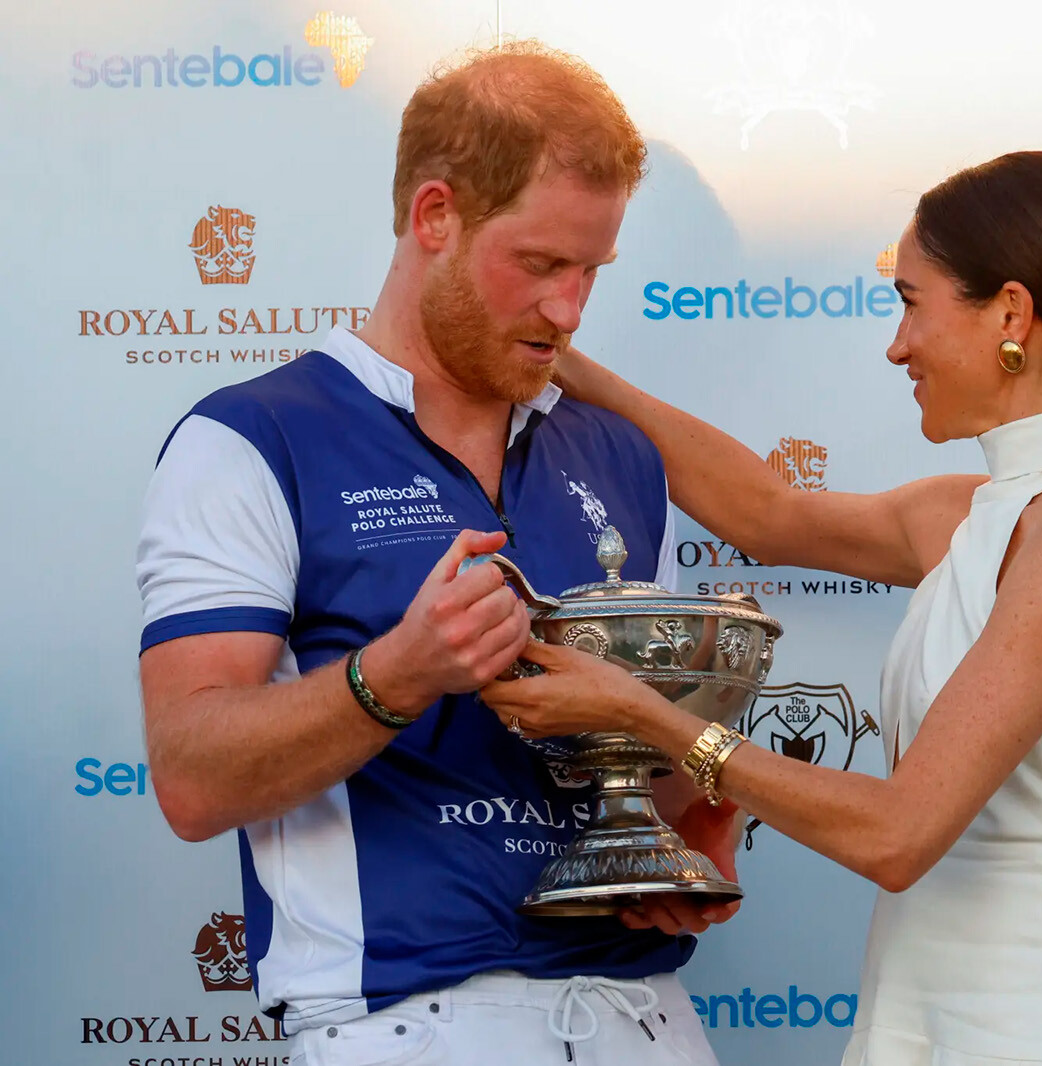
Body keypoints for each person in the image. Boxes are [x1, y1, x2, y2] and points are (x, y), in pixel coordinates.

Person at [479, 150, 1042, 1065]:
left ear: (1010, 313)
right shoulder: (981, 513)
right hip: (921, 1017)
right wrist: (554, 356)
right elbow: (767, 514)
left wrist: (639, 713)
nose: (897, 345)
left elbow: (898, 834)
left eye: (911, 303)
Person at [136, 43, 734, 1066]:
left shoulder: (620, 454)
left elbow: (657, 779)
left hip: (647, 1021)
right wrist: (390, 678)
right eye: (541, 263)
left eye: (591, 269)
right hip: (413, 1023)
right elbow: (190, 777)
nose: (569, 308)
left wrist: (698, 803)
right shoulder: (253, 437)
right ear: (434, 216)